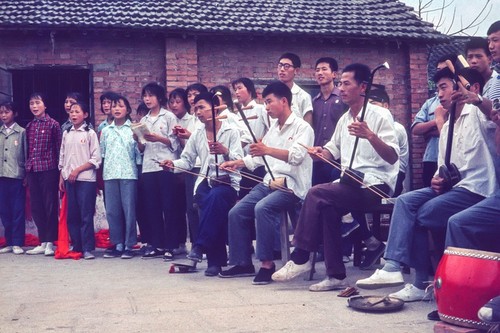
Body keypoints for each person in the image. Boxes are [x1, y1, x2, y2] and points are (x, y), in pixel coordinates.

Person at [356, 67, 496, 302]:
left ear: (470, 89)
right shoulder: (449, 124)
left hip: (476, 189)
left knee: (424, 213)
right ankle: (393, 266)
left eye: (444, 87)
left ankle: (423, 282)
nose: (439, 94)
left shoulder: (477, 115)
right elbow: (445, 167)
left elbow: (491, 111)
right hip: (452, 190)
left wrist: (478, 99)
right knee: (405, 201)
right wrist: (437, 180)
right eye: (437, 88)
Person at [271, 63, 399, 291]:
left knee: (317, 192)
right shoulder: (345, 118)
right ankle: (336, 275)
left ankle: (300, 256)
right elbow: (333, 149)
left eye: (346, 83)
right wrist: (321, 153)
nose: (341, 88)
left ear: (363, 87)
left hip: (375, 185)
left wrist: (370, 135)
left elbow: (391, 157)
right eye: (340, 83)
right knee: (327, 207)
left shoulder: (381, 115)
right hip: (350, 183)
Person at [219, 81, 314, 285]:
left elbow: (296, 157)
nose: (267, 107)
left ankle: (267, 264)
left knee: (263, 208)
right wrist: (237, 163)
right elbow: (260, 158)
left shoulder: (303, 128)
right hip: (269, 183)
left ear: (284, 101)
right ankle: (242, 262)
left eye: (269, 102)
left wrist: (267, 150)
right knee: (237, 212)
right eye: (265, 102)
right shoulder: (273, 129)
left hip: (291, 186)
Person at [160, 92, 243, 277]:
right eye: (195, 109)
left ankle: (202, 247)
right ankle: (214, 261)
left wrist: (225, 151)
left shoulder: (231, 131)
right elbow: (187, 160)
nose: (198, 112)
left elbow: (239, 161)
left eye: (201, 108)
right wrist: (172, 164)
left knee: (213, 199)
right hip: (206, 180)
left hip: (228, 183)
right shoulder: (197, 133)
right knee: (208, 200)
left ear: (214, 108)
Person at [136, 83, 179, 260]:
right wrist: (138, 138)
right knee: (152, 207)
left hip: (166, 165)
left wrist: (158, 138)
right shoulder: (143, 120)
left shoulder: (169, 117)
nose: (147, 99)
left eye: (151, 95)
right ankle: (157, 244)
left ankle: (171, 246)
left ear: (159, 98)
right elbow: (141, 149)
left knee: (169, 207)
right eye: (145, 96)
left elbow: (175, 144)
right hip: (148, 167)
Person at [58, 101, 101, 260]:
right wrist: (62, 177)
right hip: (69, 179)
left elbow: (96, 159)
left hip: (86, 180)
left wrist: (77, 170)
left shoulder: (90, 133)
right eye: (71, 112)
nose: (73, 115)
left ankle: (88, 248)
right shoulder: (66, 133)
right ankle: (77, 245)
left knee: (85, 214)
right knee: (72, 215)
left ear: (85, 115)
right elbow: (62, 157)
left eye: (77, 112)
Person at [100, 94, 140, 259]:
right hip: (110, 174)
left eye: (120, 106)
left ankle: (129, 244)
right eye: (114, 106)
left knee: (129, 211)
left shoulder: (133, 129)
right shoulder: (105, 131)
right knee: (112, 211)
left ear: (128, 110)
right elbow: (102, 154)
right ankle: (117, 243)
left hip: (128, 174)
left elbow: (138, 154)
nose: (116, 109)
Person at [411, 54, 457, 187]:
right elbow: (415, 129)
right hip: (432, 157)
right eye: (438, 70)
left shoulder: (462, 101)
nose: (441, 72)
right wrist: (436, 120)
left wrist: (431, 130)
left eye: (445, 69)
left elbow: (453, 132)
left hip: (453, 158)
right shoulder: (430, 103)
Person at [25, 92, 62, 256]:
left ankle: (50, 242)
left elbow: (59, 148)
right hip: (33, 170)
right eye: (31, 103)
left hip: (49, 169)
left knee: (50, 206)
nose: (34, 106)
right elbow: (28, 151)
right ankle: (42, 241)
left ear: (45, 105)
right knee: (36, 207)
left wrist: (60, 172)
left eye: (37, 103)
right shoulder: (29, 126)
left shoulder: (53, 124)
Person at [170, 88, 200, 248]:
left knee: (194, 206)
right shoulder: (170, 119)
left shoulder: (193, 120)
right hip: (177, 165)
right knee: (179, 207)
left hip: (193, 166)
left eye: (178, 101)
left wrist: (186, 136)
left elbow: (192, 146)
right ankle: (181, 242)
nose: (174, 105)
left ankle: (198, 243)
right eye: (172, 102)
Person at [231, 77, 270, 199]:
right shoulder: (237, 114)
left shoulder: (260, 109)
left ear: (250, 90)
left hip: (259, 161)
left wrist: (263, 141)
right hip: (244, 162)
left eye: (239, 88)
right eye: (235, 89)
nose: (236, 92)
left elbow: (271, 129)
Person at [311, 57, 346, 186]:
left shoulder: (343, 98)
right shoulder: (314, 101)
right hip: (319, 158)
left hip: (338, 158)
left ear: (334, 74)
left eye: (324, 69)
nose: (320, 73)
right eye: (317, 70)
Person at [368, 86, 409, 196]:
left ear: (385, 106)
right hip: (377, 174)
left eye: (373, 103)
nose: (369, 108)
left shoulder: (397, 128)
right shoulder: (371, 127)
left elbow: (389, 157)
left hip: (395, 174)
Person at [0, 101, 27, 255]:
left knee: (17, 211)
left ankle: (17, 242)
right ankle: (9, 242)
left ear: (14, 114)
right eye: (1, 112)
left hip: (17, 176)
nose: (4, 115)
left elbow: (26, 153)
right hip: (2, 176)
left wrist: (26, 175)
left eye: (7, 112)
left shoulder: (21, 132)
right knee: (4, 211)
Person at [277, 52, 313, 126]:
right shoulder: (271, 95)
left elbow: (308, 127)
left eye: (286, 66)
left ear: (296, 71)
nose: (282, 69)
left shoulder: (303, 96)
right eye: (280, 65)